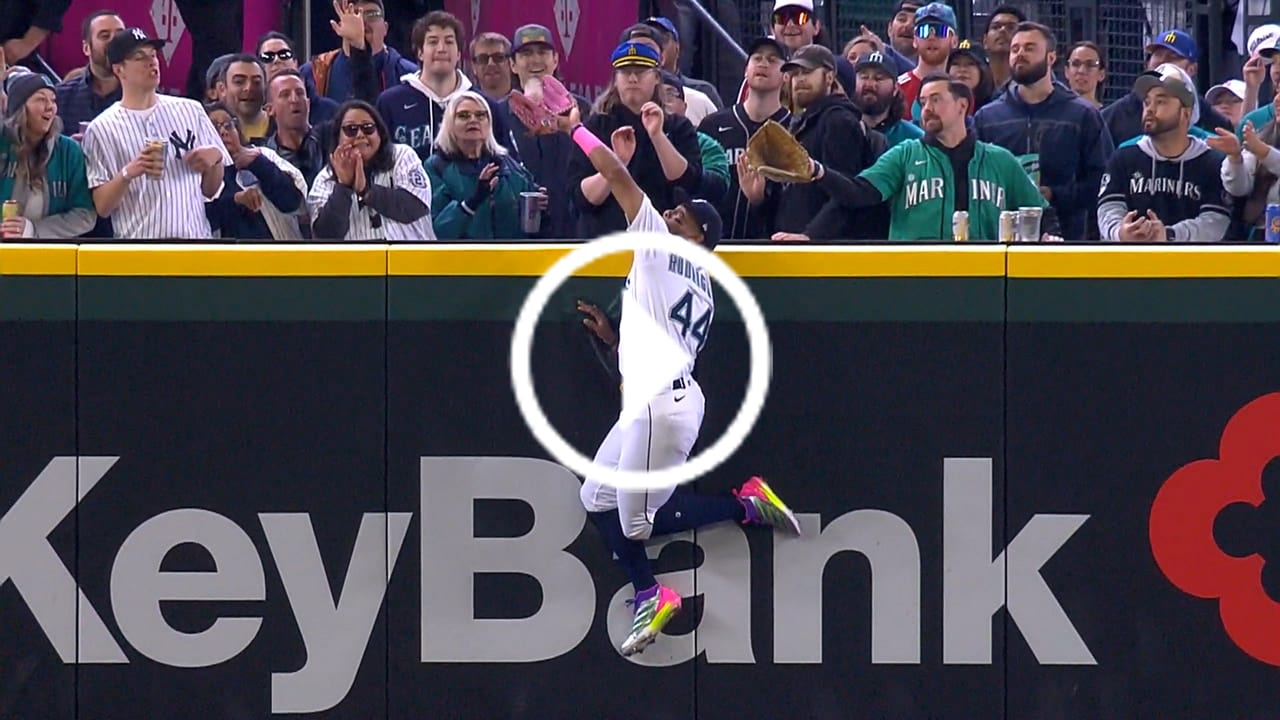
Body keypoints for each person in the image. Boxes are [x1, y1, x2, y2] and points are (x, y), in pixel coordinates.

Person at [550, 104, 801, 657]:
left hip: (661, 406)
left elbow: (617, 177)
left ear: (698, 235)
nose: (670, 214)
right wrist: (618, 340)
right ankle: (652, 587)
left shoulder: (664, 249)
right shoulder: (702, 283)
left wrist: (574, 128)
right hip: (662, 395)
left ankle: (735, 513)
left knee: (638, 524)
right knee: (595, 495)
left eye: (682, 215)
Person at [813, 73, 1056, 241]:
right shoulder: (904, 155)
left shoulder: (1000, 161)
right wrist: (817, 171)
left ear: (962, 106)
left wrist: (1050, 237)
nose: (926, 108)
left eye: (936, 99)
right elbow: (860, 192)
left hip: (986, 277)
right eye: (922, 102)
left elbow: (1041, 212)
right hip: (918, 276)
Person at [83, 27, 231, 240]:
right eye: (139, 57)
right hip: (139, 249)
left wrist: (215, 160)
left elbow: (210, 191)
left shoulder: (191, 110)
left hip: (194, 244)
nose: (152, 62)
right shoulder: (101, 128)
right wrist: (129, 173)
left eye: (153, 55)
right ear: (119, 70)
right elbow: (102, 207)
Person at [974, 22, 1113, 240]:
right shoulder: (987, 118)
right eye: (1015, 49)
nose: (1020, 54)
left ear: (1051, 58)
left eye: (1029, 48)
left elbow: (1103, 179)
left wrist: (1055, 195)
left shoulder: (1082, 116)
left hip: (1067, 241)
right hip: (1001, 240)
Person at [567, 41, 702, 238]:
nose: (632, 78)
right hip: (604, 241)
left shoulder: (678, 127)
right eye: (625, 72)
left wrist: (657, 136)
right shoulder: (595, 126)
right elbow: (582, 198)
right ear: (615, 79)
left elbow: (687, 183)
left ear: (656, 77)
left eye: (640, 71)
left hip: (659, 243)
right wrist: (617, 163)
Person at [1098, 64, 1230, 242]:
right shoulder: (1123, 157)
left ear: (1186, 113)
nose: (1150, 109)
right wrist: (1121, 232)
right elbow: (1108, 208)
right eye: (1147, 102)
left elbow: (1215, 222)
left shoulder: (1212, 162)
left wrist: (1169, 235)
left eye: (1161, 101)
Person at [770, 44, 876, 242]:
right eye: (795, 73)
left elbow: (845, 192)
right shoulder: (802, 122)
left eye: (807, 71)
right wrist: (759, 198)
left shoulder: (838, 120)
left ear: (829, 77)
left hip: (827, 249)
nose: (799, 79)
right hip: (796, 242)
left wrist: (811, 235)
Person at [375, 11, 514, 160]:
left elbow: (508, 163)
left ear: (459, 54)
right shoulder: (390, 103)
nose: (441, 48)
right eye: (433, 42)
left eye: (449, 42)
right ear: (420, 52)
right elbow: (378, 163)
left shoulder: (485, 106)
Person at [698, 36, 793, 240]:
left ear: (786, 75)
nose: (763, 63)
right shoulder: (713, 125)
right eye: (757, 58)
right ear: (746, 69)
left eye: (772, 60)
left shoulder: (794, 128)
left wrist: (761, 200)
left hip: (771, 247)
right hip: (717, 245)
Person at [308, 99, 436, 240]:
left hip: (411, 253)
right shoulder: (325, 178)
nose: (360, 135)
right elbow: (325, 236)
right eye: (351, 129)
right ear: (338, 137)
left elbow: (415, 208)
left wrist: (366, 190)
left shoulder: (402, 156)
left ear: (379, 133)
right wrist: (343, 188)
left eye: (368, 128)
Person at [424, 91, 544, 239]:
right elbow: (437, 231)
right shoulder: (436, 167)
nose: (473, 120)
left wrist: (540, 207)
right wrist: (474, 200)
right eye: (463, 115)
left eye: (481, 115)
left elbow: (529, 216)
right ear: (449, 124)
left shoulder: (506, 164)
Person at [0, 73, 95, 238]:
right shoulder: (3, 143)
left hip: (50, 250)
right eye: (41, 99)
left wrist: (33, 230)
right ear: (20, 108)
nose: (50, 107)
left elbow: (85, 215)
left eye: (53, 100)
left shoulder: (69, 151)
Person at [1102, 30, 1232, 146]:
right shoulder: (1116, 114)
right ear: (1147, 64)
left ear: (1192, 69)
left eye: (1173, 56)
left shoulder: (1206, 115)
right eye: (1158, 54)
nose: (1162, 60)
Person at [203, 102, 307, 240]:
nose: (223, 132)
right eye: (214, 128)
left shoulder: (263, 155)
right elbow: (202, 219)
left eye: (228, 125)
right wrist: (236, 200)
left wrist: (260, 165)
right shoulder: (199, 175)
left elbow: (294, 203)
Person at [302, 0, 417, 104]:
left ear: (385, 27)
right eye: (354, 14)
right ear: (339, 27)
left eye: (372, 15)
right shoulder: (312, 74)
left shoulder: (410, 76)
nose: (362, 21)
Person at [661, 72, 729, 206]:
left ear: (684, 107)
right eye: (657, 97)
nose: (663, 103)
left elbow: (718, 186)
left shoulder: (706, 144)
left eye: (670, 95)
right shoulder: (636, 141)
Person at [55, 10, 124, 137]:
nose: (114, 41)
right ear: (86, 48)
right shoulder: (61, 97)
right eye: (105, 36)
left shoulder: (144, 96)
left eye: (120, 35)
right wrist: (68, 146)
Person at [1214, 119, 1280, 241]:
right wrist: (1235, 158)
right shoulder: (1264, 135)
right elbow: (1239, 189)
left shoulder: (1259, 146)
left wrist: (1265, 152)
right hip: (1261, 236)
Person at [256, 31, 340, 127]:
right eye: (267, 57)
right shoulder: (252, 111)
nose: (277, 60)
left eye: (284, 54)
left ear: (295, 63)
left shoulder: (329, 111)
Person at [642, 16, 724, 110]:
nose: (656, 46)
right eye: (648, 42)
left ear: (677, 49)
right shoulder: (634, 92)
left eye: (662, 39)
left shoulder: (702, 91)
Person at [264, 70, 325, 188]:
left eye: (300, 93)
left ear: (308, 103)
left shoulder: (330, 143)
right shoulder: (265, 158)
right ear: (270, 110)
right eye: (285, 95)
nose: (294, 99)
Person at [899, 3, 958, 120]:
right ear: (915, 40)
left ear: (954, 41)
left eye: (940, 31)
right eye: (923, 31)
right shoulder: (898, 88)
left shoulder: (960, 90)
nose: (931, 37)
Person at [214, 55, 270, 145]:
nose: (249, 88)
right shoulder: (209, 128)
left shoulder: (281, 125)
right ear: (222, 89)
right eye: (239, 82)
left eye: (256, 82)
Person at [981, 6, 1026, 91]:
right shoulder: (974, 82)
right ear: (985, 41)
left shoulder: (1032, 83)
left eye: (1011, 27)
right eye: (996, 27)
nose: (1002, 30)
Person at [946, 40, 995, 115]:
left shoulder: (995, 106)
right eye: (955, 63)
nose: (962, 69)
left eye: (970, 64)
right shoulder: (941, 105)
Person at [468, 32, 513, 98]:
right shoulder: (464, 100)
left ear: (511, 63)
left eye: (498, 57)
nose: (490, 64)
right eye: (482, 59)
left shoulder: (525, 99)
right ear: (473, 66)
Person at [1065, 41, 1106, 108]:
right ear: (1066, 71)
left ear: (1101, 74)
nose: (1081, 71)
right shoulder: (1053, 112)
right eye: (1075, 64)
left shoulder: (1108, 114)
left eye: (1090, 64)